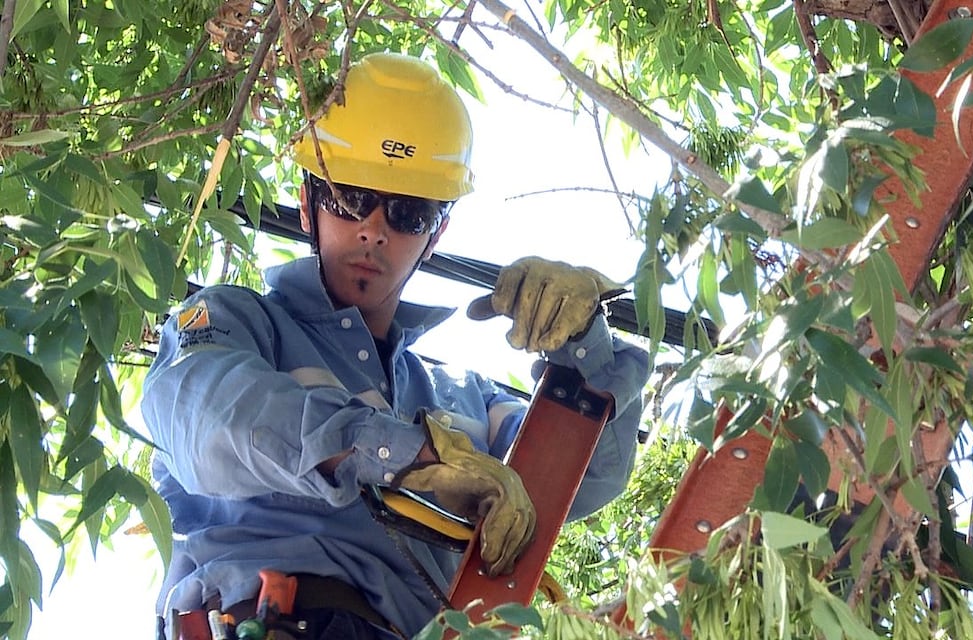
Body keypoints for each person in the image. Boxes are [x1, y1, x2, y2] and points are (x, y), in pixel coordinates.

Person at [142, 52, 649, 640]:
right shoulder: (238, 323)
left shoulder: (465, 402)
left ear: (436, 234)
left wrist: (584, 345)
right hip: (278, 619)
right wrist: (402, 455)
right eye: (351, 196)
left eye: (407, 212)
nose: (374, 229)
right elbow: (209, 419)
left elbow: (581, 481)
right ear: (307, 203)